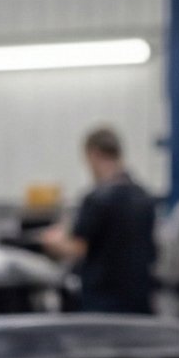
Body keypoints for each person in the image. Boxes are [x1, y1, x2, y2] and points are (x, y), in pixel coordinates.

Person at [42, 125, 159, 315]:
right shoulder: (144, 197)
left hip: (102, 305)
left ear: (94, 155)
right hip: (140, 304)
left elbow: (77, 249)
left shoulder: (97, 199)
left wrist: (51, 241)